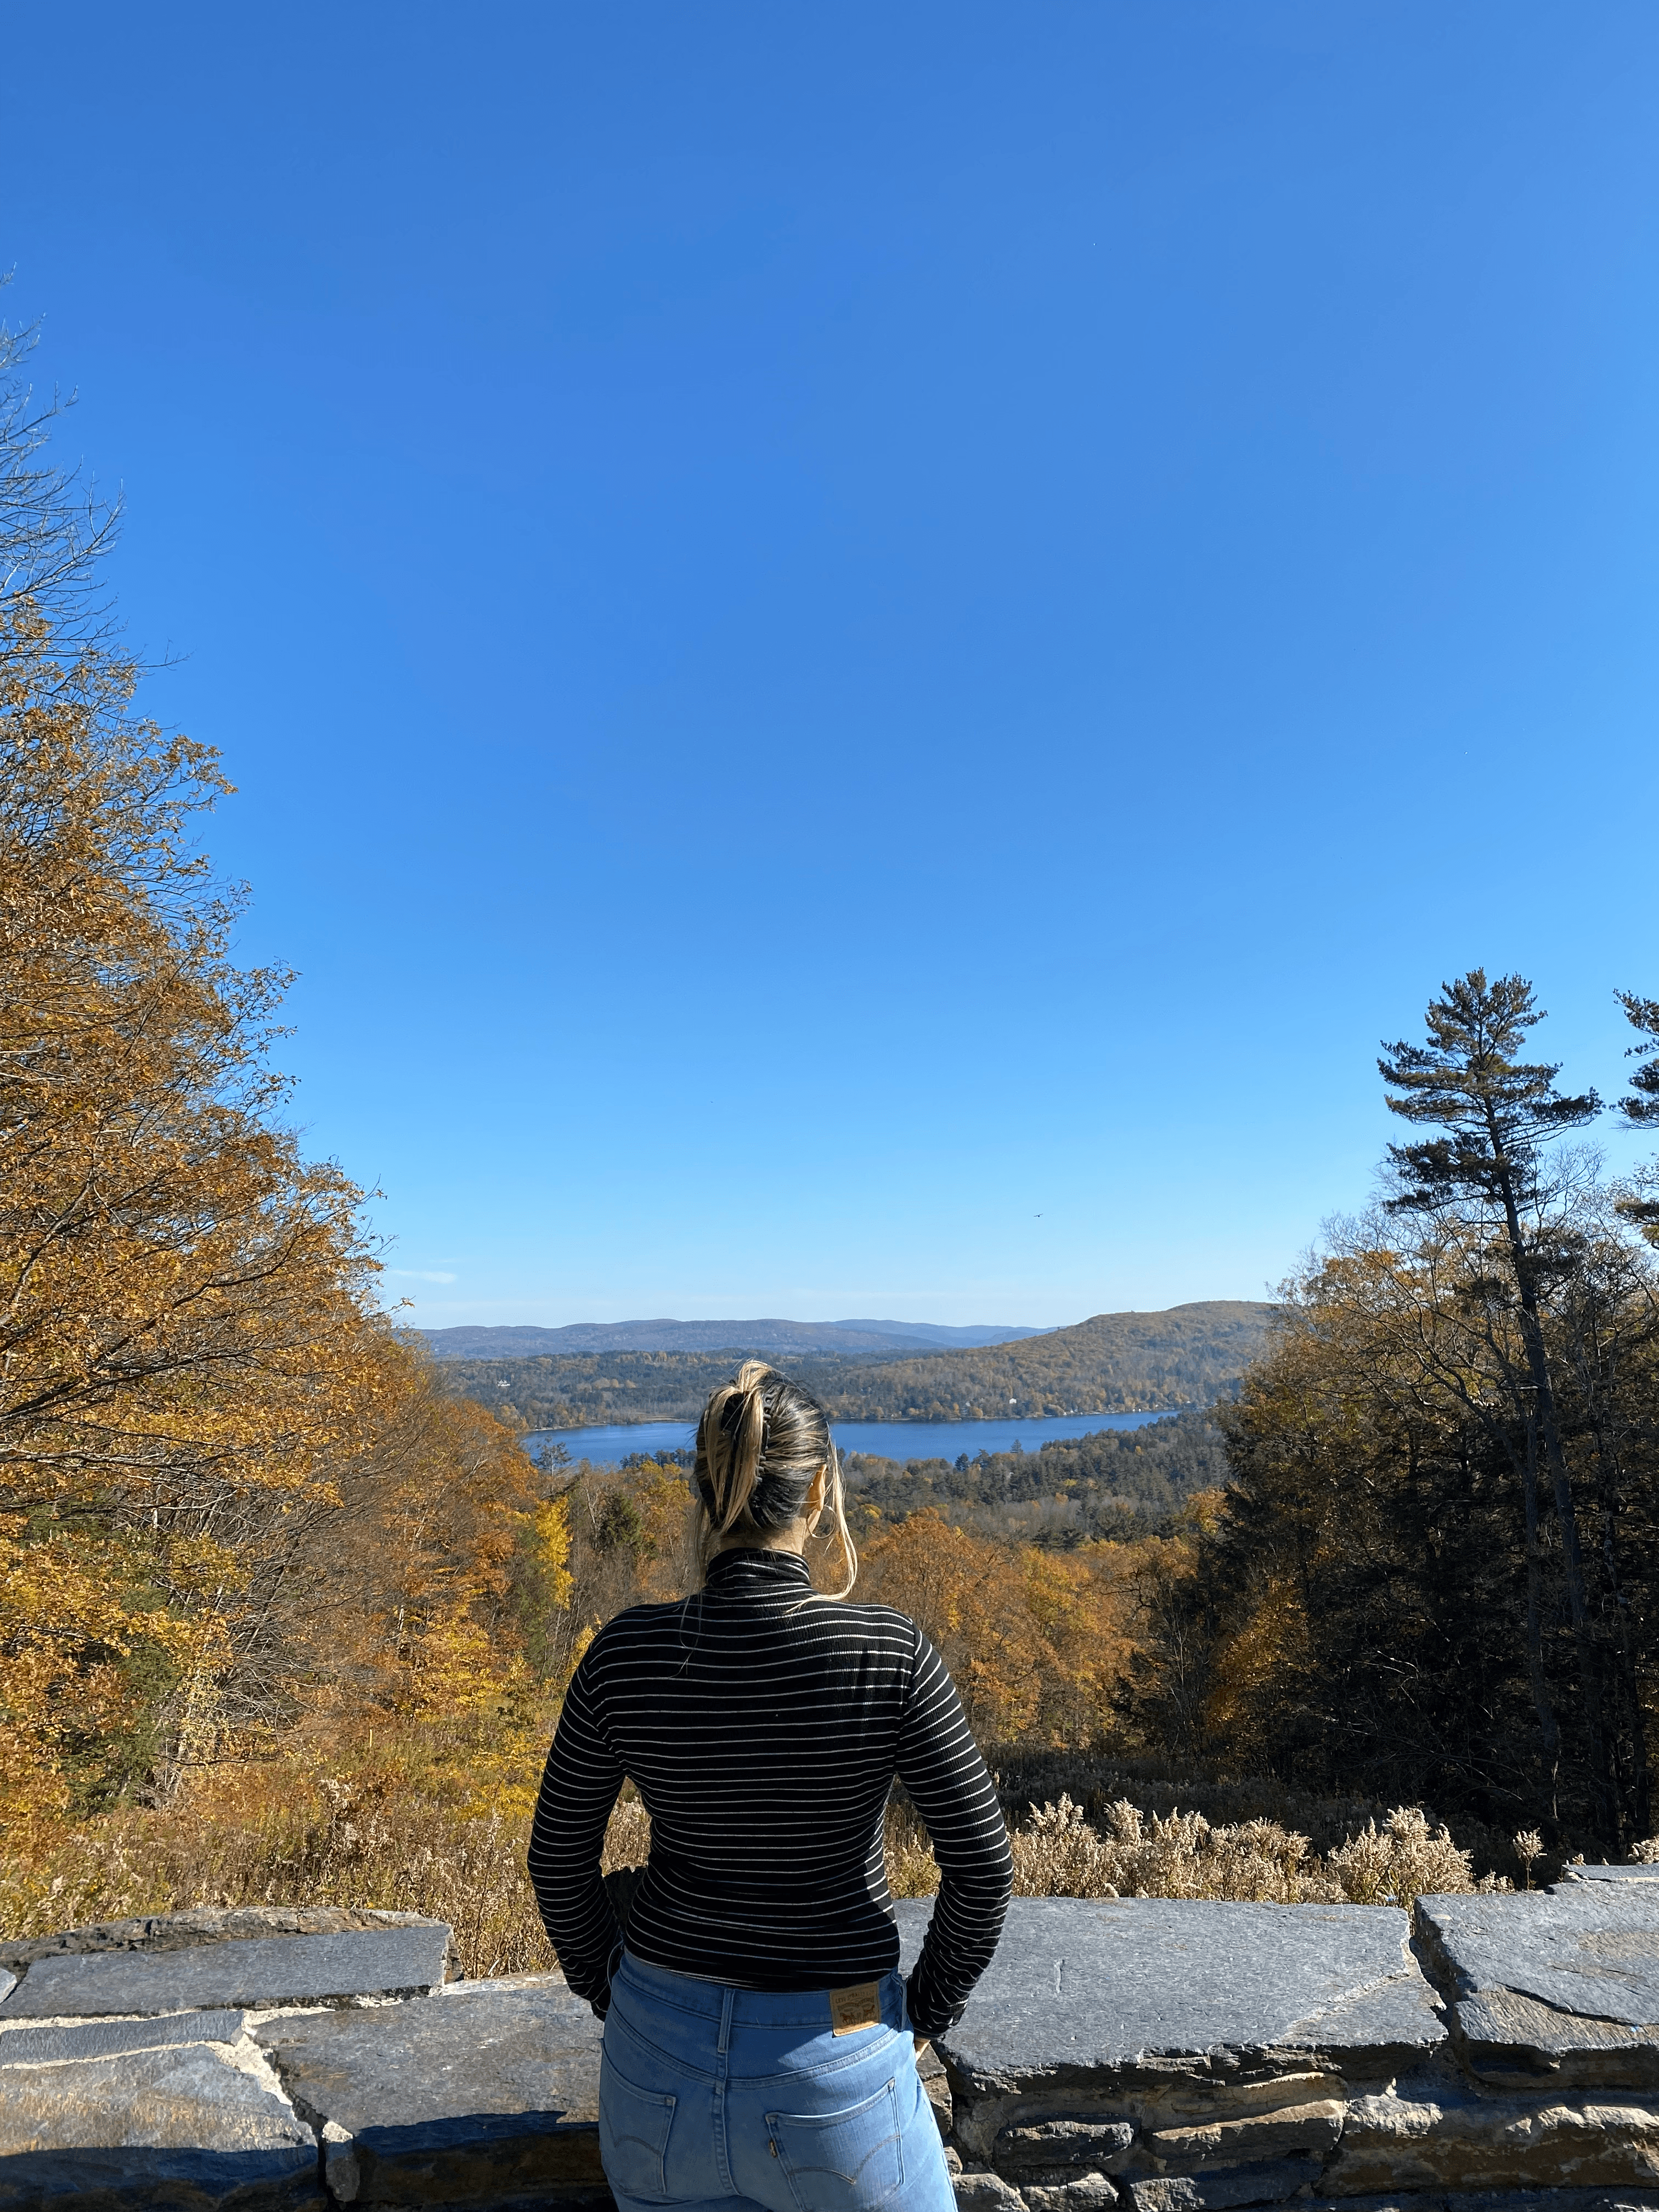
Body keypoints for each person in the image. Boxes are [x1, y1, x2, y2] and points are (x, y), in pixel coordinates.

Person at [527, 1361, 1013, 2212]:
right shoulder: (888, 1653)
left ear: (705, 1489)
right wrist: (921, 2018)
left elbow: (558, 1862)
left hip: (653, 2059)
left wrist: (621, 1996)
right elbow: (983, 1870)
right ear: (819, 1491)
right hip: (839, 2049)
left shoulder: (625, 1654)